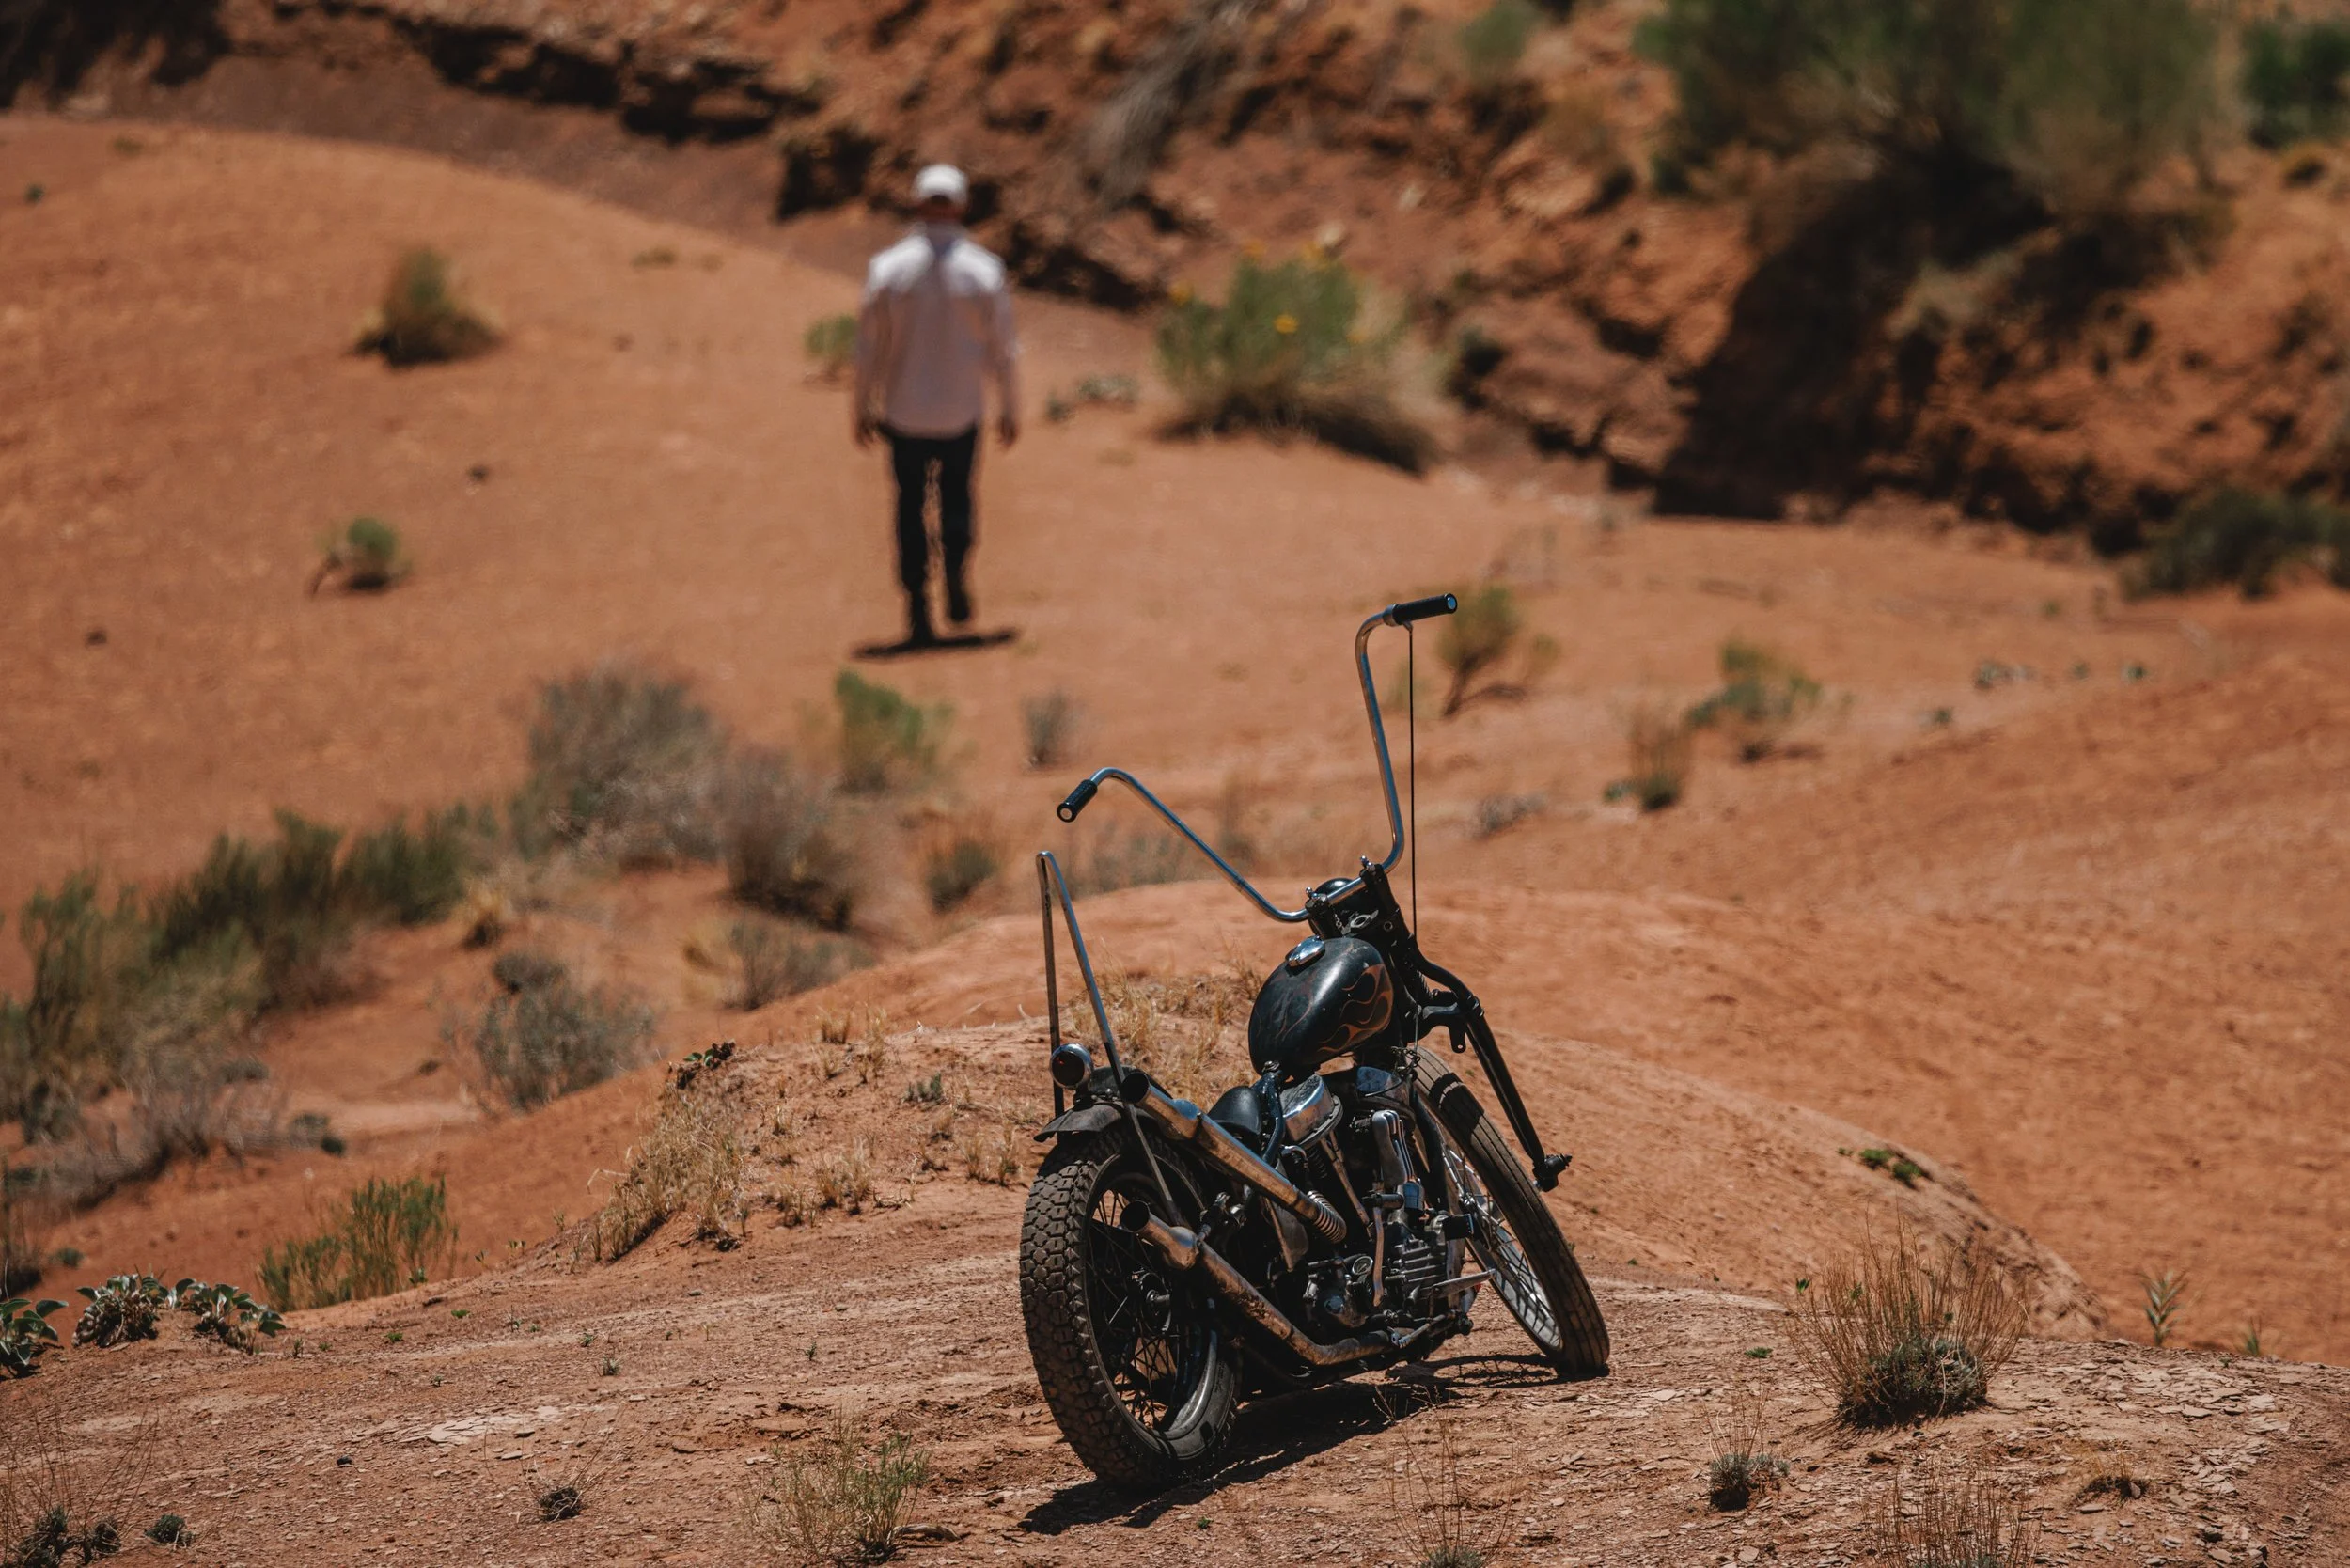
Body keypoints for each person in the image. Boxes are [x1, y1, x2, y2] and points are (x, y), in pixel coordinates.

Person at [853, 164, 1021, 646]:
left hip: (904, 414)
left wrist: (860, 406)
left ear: (918, 204)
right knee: (957, 500)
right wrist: (1010, 407)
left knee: (909, 507)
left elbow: (867, 347)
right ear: (964, 206)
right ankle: (955, 579)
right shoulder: (984, 271)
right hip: (960, 412)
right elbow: (1003, 348)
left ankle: (917, 606)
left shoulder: (888, 270)